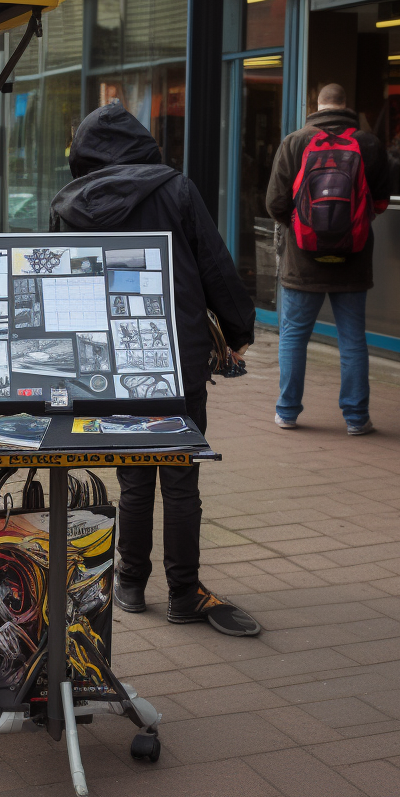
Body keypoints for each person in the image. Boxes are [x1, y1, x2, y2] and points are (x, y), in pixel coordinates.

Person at [50, 101, 259, 636]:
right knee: (181, 477)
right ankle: (185, 593)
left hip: (108, 362)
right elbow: (214, 263)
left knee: (134, 473)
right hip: (176, 355)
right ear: (141, 143)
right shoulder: (177, 190)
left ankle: (129, 581)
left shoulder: (68, 203)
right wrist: (237, 332)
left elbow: (54, 290)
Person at [265, 83, 390, 435]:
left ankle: (287, 412)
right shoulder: (368, 144)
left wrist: (300, 226)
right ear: (345, 105)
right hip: (353, 258)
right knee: (352, 340)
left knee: (293, 337)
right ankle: (355, 419)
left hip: (303, 261)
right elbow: (380, 201)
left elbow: (275, 202)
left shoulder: (294, 141)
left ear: (316, 106)